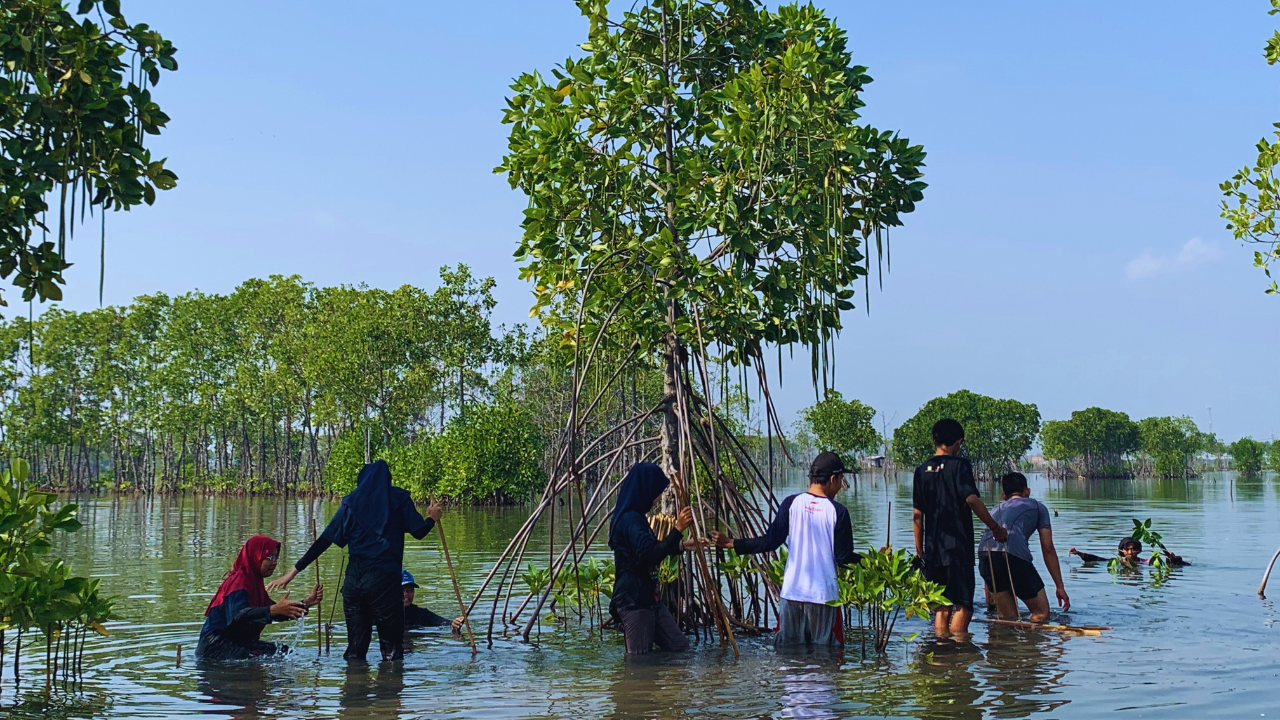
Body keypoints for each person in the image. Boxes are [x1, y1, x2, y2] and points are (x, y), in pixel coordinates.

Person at [270, 460, 443, 662]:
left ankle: (354, 688)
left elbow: (324, 540)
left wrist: (293, 571)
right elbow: (419, 532)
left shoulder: (351, 503)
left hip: (355, 584)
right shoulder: (398, 499)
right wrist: (432, 518)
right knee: (392, 652)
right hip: (384, 584)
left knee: (355, 650)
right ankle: (389, 691)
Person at [711, 451, 862, 648]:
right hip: (824, 597)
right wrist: (872, 563)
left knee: (789, 654)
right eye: (841, 479)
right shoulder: (838, 512)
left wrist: (732, 543)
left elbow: (770, 542)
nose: (841, 486)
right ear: (833, 479)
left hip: (791, 594)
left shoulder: (790, 504)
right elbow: (844, 558)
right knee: (827, 656)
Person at [912, 418, 1008, 637]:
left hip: (933, 550)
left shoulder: (920, 470)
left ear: (933, 440)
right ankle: (957, 652)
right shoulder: (960, 466)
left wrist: (920, 550)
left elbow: (917, 515)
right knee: (964, 605)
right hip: (957, 548)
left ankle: (940, 650)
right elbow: (972, 499)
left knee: (942, 606)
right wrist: (995, 527)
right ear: (959, 441)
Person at [608, 462, 706, 655]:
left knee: (680, 648)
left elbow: (646, 550)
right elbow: (651, 555)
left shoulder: (634, 517)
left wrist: (683, 545)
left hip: (647, 596)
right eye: (656, 492)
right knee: (639, 661)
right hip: (634, 600)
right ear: (645, 489)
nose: (658, 498)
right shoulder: (631, 520)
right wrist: (677, 530)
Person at [197, 534, 322, 660]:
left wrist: (306, 603)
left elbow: (273, 611)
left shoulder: (255, 583)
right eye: (269, 557)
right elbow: (238, 615)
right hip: (215, 646)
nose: (274, 563)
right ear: (255, 557)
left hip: (238, 642)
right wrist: (274, 610)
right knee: (270, 657)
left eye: (276, 557)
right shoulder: (239, 581)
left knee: (285, 651)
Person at [977, 472, 1070, 623]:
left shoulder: (995, 509)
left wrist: (988, 585)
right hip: (1013, 555)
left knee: (1008, 618)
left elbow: (989, 548)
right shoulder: (1038, 507)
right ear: (1027, 491)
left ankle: (1001, 644)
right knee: (1041, 613)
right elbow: (1048, 549)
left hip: (985, 556)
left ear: (1004, 496)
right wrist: (1059, 586)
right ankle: (1031, 644)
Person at [400, 570, 465, 630]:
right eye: (402, 590)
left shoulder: (421, 614)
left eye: (410, 590)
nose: (406, 594)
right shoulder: (390, 614)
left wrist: (453, 623)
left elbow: (440, 621)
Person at [1069, 539, 1189, 568]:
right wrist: (1079, 553)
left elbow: (1165, 565)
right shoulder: (1117, 562)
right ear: (1122, 551)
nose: (1130, 552)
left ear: (1139, 551)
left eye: (1133, 549)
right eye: (1127, 549)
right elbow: (1097, 559)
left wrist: (1172, 559)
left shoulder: (1146, 562)